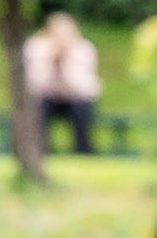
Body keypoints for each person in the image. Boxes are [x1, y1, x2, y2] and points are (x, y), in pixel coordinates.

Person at [22, 13, 102, 153]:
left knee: (82, 108)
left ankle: (82, 149)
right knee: (39, 106)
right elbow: (35, 84)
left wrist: (66, 64)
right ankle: (41, 148)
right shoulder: (36, 47)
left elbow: (85, 86)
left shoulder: (84, 49)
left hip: (75, 98)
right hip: (46, 98)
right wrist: (51, 62)